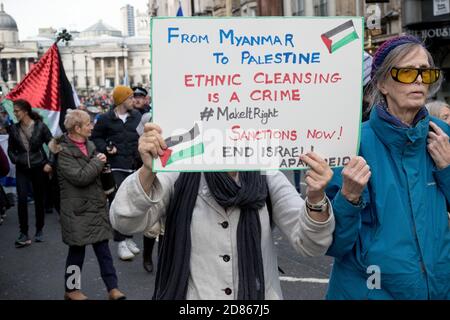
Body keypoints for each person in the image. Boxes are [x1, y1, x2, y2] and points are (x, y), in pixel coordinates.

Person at [110, 122, 336, 300]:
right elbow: (124, 221)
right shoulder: (178, 169)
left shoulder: (266, 173)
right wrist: (147, 171)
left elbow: (312, 244)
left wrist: (315, 198)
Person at [325, 35, 450, 299]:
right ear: (382, 83)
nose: (418, 80)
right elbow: (335, 243)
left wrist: (447, 171)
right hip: (368, 292)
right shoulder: (351, 143)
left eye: (424, 73)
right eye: (406, 72)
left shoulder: (443, 137)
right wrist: (348, 197)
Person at [50, 109, 126, 300]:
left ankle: (113, 288)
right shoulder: (63, 152)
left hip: (95, 207)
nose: (91, 126)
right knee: (76, 252)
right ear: (77, 128)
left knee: (104, 251)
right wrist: (98, 162)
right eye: (88, 124)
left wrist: (103, 166)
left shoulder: (90, 145)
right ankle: (72, 290)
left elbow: (95, 171)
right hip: (76, 211)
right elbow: (80, 177)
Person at [91, 85, 142, 261]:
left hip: (134, 165)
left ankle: (129, 238)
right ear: (121, 100)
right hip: (116, 166)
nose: (133, 101)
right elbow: (95, 137)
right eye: (130, 98)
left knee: (133, 203)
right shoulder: (106, 119)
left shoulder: (137, 116)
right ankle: (120, 241)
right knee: (119, 203)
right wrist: (105, 148)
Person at [7, 99, 53, 247]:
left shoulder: (40, 127)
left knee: (39, 199)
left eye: (17, 111)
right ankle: (24, 232)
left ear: (25, 111)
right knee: (21, 199)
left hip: (38, 167)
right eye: (14, 111)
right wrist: (16, 159)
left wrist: (50, 163)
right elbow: (10, 149)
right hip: (22, 169)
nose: (15, 113)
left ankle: (39, 229)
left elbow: (53, 145)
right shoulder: (13, 128)